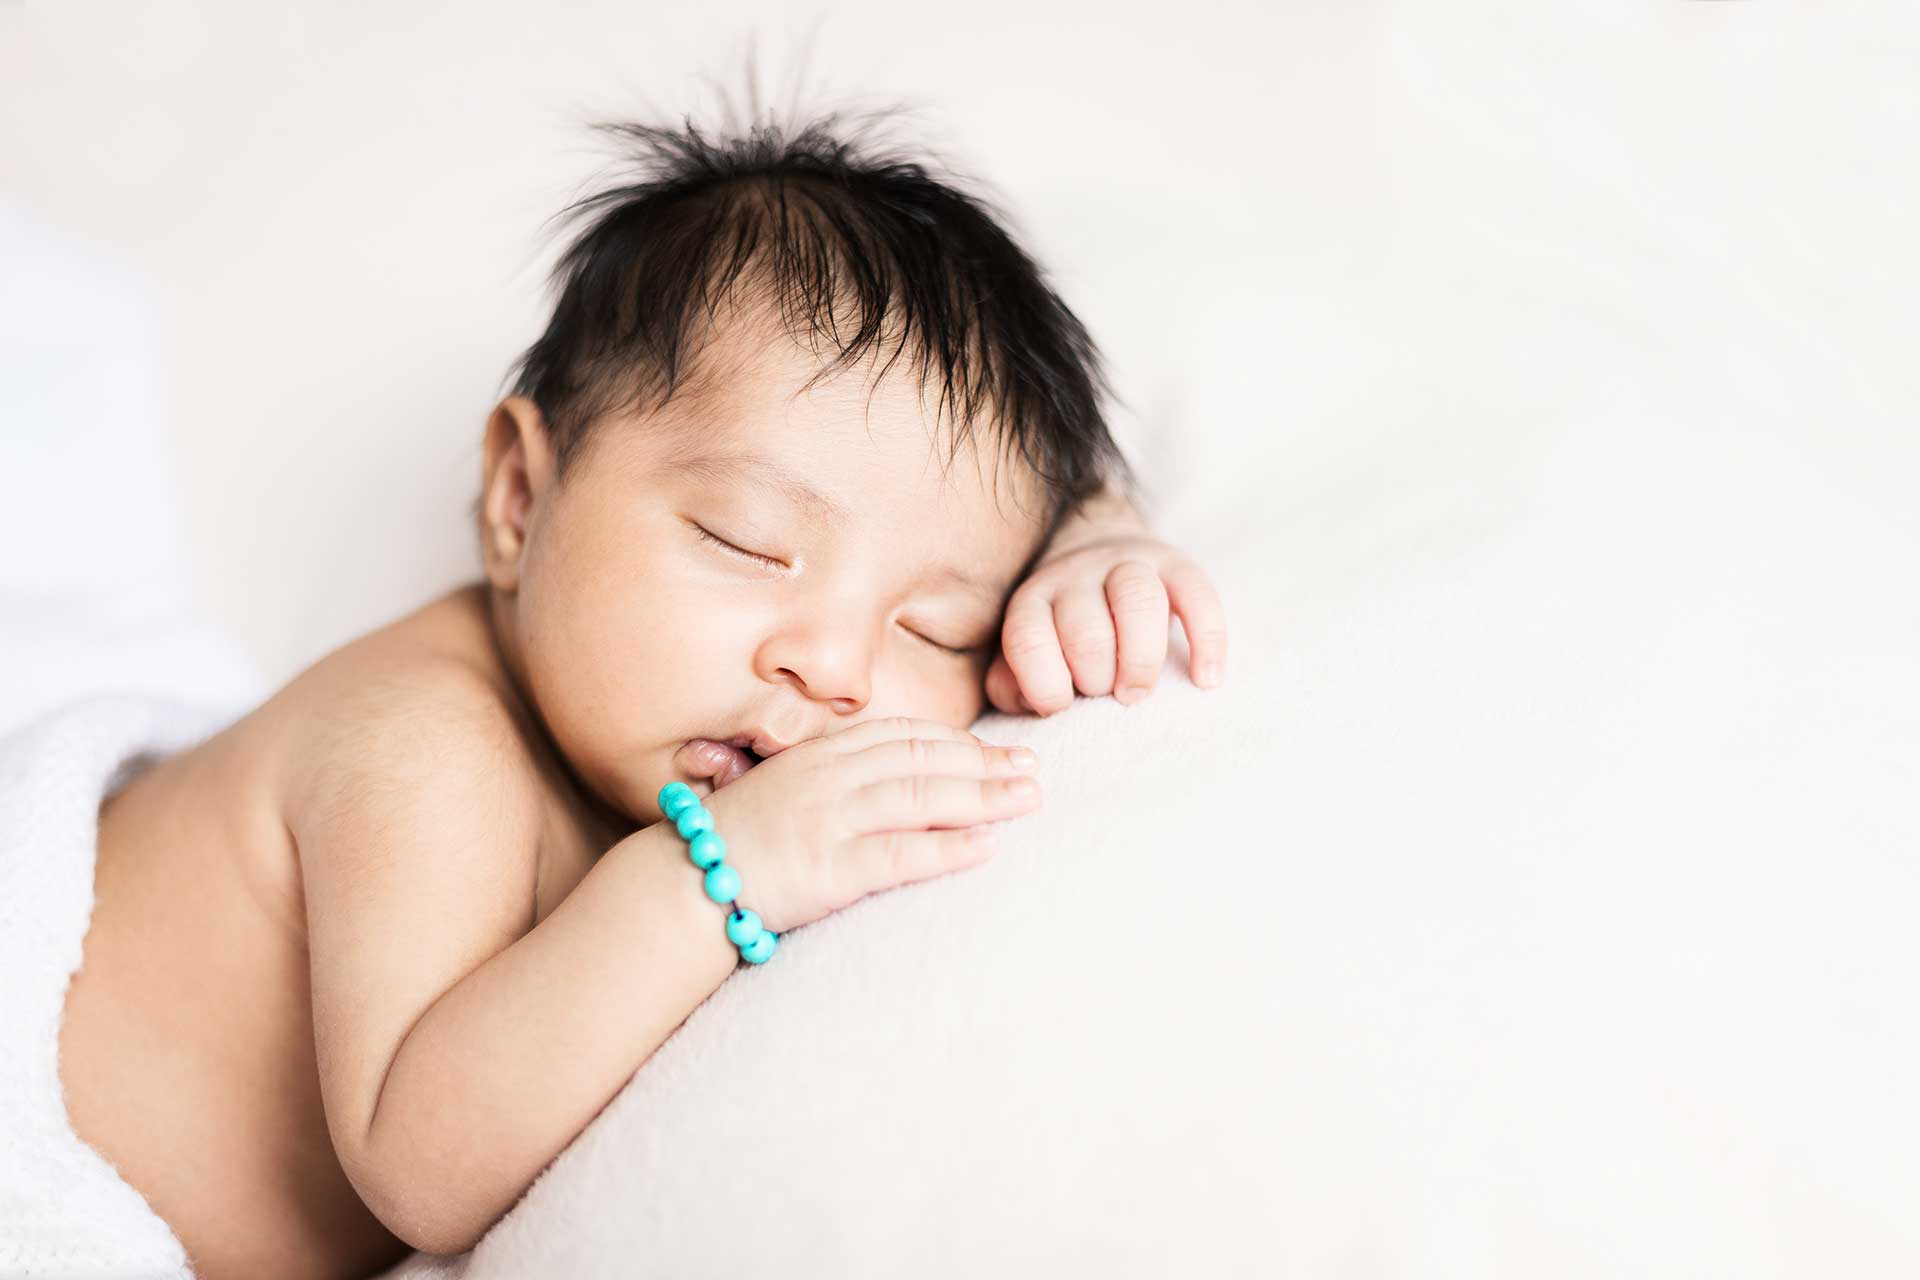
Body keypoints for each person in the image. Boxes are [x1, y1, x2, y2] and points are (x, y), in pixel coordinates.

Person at [56, 111, 1229, 1277]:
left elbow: (960, 508)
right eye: (748, 539)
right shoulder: (422, 746)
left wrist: (1089, 543)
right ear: (521, 498)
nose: (837, 665)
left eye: (938, 623)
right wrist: (713, 875)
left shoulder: (660, 716)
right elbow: (418, 1159)